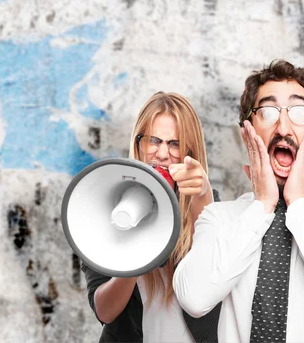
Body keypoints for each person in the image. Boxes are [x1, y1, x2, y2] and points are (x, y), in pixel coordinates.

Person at [173, 60, 304, 343]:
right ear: (247, 132)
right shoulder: (219, 218)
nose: (283, 126)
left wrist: (298, 203)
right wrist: (263, 205)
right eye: (268, 111)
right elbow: (194, 298)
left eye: (299, 111)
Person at [81, 91, 221, 342]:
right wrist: (136, 257)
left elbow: (212, 276)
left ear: (191, 149)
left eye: (175, 143)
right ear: (138, 145)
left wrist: (203, 195)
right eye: (154, 141)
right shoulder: (105, 207)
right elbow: (104, 310)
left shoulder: (211, 205)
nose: (163, 154)